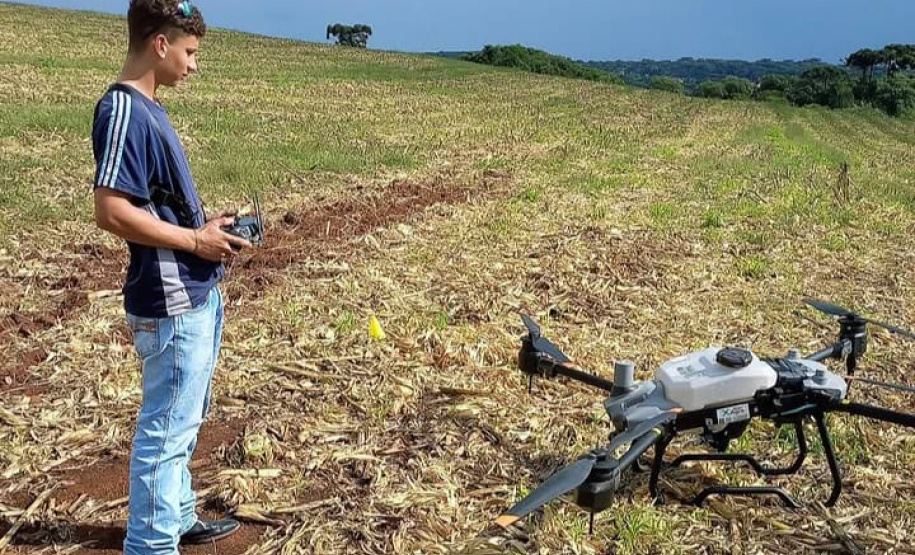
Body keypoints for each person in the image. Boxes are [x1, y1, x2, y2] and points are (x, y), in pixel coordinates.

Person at [91, 1, 250, 553]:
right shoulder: (124, 111)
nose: (194, 65)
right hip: (171, 301)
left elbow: (153, 205)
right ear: (160, 44)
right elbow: (110, 210)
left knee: (183, 420)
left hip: (192, 292)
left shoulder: (149, 108)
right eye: (190, 52)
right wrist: (194, 241)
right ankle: (152, 545)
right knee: (165, 430)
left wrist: (205, 227)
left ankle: (177, 518)